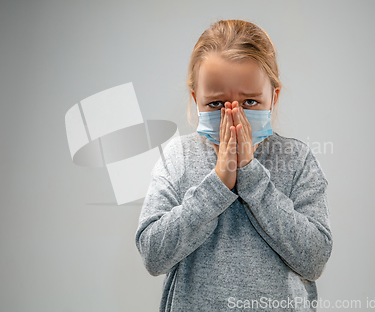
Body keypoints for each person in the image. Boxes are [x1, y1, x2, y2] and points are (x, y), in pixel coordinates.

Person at [135, 19, 333, 311]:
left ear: (273, 98)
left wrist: (251, 176)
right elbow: (153, 255)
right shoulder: (177, 157)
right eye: (216, 104)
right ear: (196, 99)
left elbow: (314, 258)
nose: (233, 116)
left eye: (250, 102)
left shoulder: (296, 159)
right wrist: (217, 184)